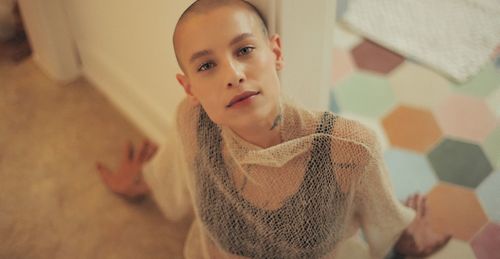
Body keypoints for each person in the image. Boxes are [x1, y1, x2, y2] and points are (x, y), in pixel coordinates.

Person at [96, 0, 451, 258]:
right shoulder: (192, 121)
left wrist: (407, 238)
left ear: (275, 52)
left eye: (245, 49)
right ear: (189, 88)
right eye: (206, 65)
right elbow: (173, 176)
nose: (233, 74)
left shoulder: (348, 147)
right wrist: (138, 180)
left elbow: (383, 218)